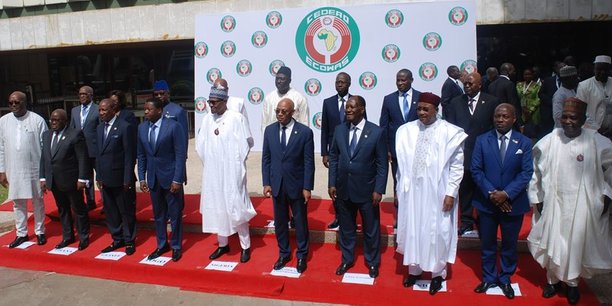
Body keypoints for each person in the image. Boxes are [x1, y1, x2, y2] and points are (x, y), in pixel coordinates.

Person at [528, 98, 612, 305]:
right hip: (554, 202)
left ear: (583, 119)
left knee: (575, 245)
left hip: (583, 205)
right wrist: (536, 197)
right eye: (564, 117)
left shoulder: (597, 141)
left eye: (573, 117)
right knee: (552, 242)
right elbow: (535, 172)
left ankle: (572, 284)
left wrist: (607, 194)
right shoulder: (550, 140)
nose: (567, 121)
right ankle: (552, 281)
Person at [395, 92, 467, 295]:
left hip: (438, 191)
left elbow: (457, 166)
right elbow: (401, 167)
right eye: (419, 108)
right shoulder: (406, 131)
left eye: (426, 109)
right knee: (414, 229)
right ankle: (414, 269)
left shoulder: (450, 132)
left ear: (437, 110)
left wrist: (451, 193)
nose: (422, 113)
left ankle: (437, 274)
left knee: (437, 231)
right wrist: (400, 189)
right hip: (413, 193)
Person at [470, 103, 533, 299]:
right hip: (487, 203)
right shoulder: (482, 140)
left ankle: (505, 278)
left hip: (512, 204)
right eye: (497, 116)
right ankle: (489, 277)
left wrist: (506, 194)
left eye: (505, 116)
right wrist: (492, 193)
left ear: (514, 119)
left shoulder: (524, 142)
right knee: (487, 243)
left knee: (509, 244)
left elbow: (526, 172)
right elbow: (476, 170)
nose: (500, 120)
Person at [328, 95, 387, 278]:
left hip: (367, 191)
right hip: (344, 189)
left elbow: (382, 164)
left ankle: (372, 262)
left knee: (370, 229)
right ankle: (347, 259)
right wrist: (332, 183)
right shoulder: (339, 130)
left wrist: (379, 189)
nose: (348, 109)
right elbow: (334, 158)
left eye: (352, 106)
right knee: (346, 228)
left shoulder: (376, 132)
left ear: (362, 109)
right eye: (347, 106)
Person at [196, 83, 256, 263]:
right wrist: (212, 163)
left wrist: (236, 166)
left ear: (225, 101)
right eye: (209, 102)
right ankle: (223, 244)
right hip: (214, 173)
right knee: (217, 206)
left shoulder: (236, 118)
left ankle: (245, 246)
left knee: (236, 206)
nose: (212, 106)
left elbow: (246, 144)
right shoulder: (207, 119)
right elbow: (201, 145)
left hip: (232, 172)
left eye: (215, 102)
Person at [262, 98, 314, 273]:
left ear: (293, 112)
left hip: (297, 186)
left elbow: (308, 162)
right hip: (277, 185)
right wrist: (266, 183)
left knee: (300, 222)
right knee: (280, 223)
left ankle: (301, 255)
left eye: (284, 111)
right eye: (277, 111)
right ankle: (284, 253)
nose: (280, 114)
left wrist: (307, 187)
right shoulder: (269, 131)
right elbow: (266, 159)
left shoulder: (305, 133)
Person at [446, 72, 500, 236]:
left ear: (479, 85)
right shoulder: (456, 102)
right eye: (465, 84)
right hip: (462, 154)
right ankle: (467, 221)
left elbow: (495, 128)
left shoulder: (491, 102)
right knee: (466, 190)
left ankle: (483, 221)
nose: (467, 86)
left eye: (470, 84)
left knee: (484, 189)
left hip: (484, 154)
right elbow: (450, 128)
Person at [138, 97, 187, 262]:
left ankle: (176, 246)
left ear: (159, 111)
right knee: (158, 215)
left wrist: (177, 179)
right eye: (144, 109)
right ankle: (161, 244)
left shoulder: (173, 126)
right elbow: (142, 154)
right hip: (153, 179)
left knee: (174, 214)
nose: (145, 112)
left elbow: (180, 155)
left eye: (149, 109)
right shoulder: (142, 128)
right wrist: (142, 177)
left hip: (170, 177)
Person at [0, 91, 48, 248]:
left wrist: (44, 174)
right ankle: (21, 233)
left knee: (37, 201)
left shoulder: (37, 120)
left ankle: (40, 231)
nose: (13, 105)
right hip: (13, 169)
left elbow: (45, 147)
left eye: (17, 102)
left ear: (25, 103)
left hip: (34, 169)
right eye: (10, 103)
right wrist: (2, 171)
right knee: (17, 202)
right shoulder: (3, 121)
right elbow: (0, 148)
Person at [40, 109, 91, 250]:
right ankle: (68, 236)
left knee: (78, 209)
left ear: (65, 121)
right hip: (54, 180)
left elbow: (82, 158)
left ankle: (84, 236)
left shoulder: (75, 134)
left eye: (56, 120)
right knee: (62, 209)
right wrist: (43, 177)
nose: (53, 123)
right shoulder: (46, 135)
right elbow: (44, 158)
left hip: (71, 180)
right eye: (51, 120)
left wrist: (82, 178)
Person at [379, 69, 421, 227]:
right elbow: (384, 126)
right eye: (398, 80)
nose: (400, 83)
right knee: (399, 183)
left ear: (411, 80)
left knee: (416, 183)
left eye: (404, 80)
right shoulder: (389, 99)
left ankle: (415, 217)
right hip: (396, 151)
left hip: (417, 150)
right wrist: (386, 149)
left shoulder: (420, 97)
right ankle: (400, 218)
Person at [96, 99, 137, 255]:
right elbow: (99, 155)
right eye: (99, 110)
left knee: (125, 211)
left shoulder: (125, 127)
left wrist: (127, 179)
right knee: (111, 211)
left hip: (121, 178)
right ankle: (117, 238)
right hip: (105, 178)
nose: (101, 113)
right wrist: (98, 176)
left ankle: (129, 240)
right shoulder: (100, 128)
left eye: (104, 110)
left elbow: (129, 155)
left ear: (113, 109)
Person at [321, 72, 352, 230]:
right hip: (334, 152)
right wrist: (324, 153)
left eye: (343, 82)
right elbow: (324, 129)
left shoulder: (355, 102)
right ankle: (339, 217)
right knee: (334, 184)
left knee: (350, 183)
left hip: (351, 151)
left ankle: (350, 216)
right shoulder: (328, 103)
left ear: (349, 84)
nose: (339, 84)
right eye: (337, 82)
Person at [70, 85, 99, 211]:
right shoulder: (75, 111)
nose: (82, 96)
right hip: (81, 150)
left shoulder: (98, 109)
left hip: (95, 148)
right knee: (86, 176)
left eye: (84, 94)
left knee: (100, 176)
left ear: (91, 95)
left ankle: (107, 201)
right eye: (80, 94)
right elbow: (72, 128)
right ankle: (90, 200)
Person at [261, 66, 310, 133]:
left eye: (282, 79)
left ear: (289, 80)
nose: (279, 81)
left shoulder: (299, 98)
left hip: (293, 139)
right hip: (273, 138)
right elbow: (264, 124)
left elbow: (304, 123)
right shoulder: (269, 98)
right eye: (277, 78)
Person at [576, 55, 612, 138]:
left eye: (605, 69)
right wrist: (596, 129)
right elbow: (580, 112)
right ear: (594, 69)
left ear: (610, 70)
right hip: (591, 132)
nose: (602, 72)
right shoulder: (584, 86)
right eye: (599, 69)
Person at [152, 80, 189, 148]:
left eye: (162, 93)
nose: (159, 96)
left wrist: (183, 156)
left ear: (168, 93)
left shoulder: (178, 111)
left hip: (172, 153)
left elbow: (183, 136)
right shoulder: (151, 110)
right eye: (156, 94)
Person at [538, 61, 566, 136]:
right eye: (560, 68)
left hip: (563, 112)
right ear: (556, 69)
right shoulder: (548, 80)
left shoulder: (568, 82)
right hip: (548, 112)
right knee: (546, 134)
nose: (562, 70)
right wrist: (552, 101)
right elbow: (540, 94)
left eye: (564, 68)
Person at [517, 67, 542, 138]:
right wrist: (523, 109)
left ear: (532, 75)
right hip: (522, 110)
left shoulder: (537, 85)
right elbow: (518, 97)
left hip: (534, 111)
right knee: (523, 131)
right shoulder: (519, 85)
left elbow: (538, 98)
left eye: (529, 74)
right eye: (525, 74)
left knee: (533, 131)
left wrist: (530, 110)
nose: (527, 76)